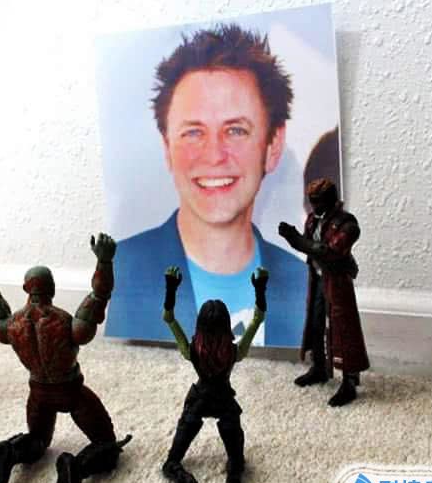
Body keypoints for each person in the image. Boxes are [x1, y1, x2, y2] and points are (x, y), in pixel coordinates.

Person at [106, 24, 307, 345]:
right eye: (193, 132)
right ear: (167, 147)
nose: (214, 155)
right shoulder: (120, 268)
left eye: (236, 130)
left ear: (273, 146)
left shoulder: (306, 283)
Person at [0, 234, 131, 483]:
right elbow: (100, 296)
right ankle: (77, 467)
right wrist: (104, 261)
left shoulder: (11, 325)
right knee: (106, 444)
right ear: (52, 288)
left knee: (38, 440)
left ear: (25, 288)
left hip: (38, 393)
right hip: (71, 391)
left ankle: (12, 451)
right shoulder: (65, 323)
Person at [160, 266, 268, 483]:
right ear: (226, 325)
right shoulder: (234, 352)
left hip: (198, 400)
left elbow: (169, 318)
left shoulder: (192, 351)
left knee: (171, 462)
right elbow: (258, 319)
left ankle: (184, 479)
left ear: (199, 325)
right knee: (237, 461)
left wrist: (171, 288)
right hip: (224, 402)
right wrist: (260, 289)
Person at [278, 178, 369, 406]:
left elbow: (329, 251)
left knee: (343, 328)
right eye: (312, 201)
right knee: (315, 322)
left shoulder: (347, 224)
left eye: (318, 201)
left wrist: (296, 240)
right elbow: (310, 246)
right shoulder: (312, 220)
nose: (314, 206)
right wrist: (295, 239)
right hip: (318, 277)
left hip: (337, 279)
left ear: (330, 199)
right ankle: (319, 367)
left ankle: (349, 380)